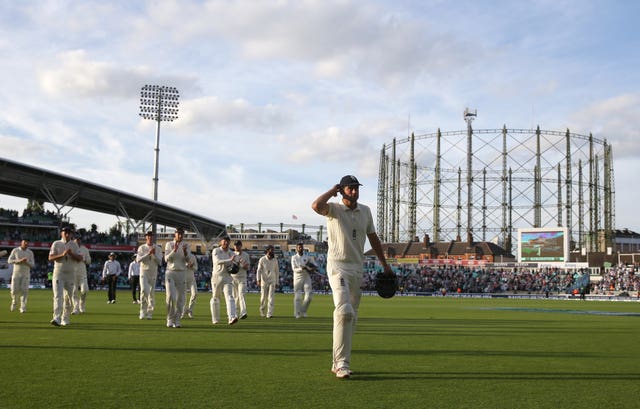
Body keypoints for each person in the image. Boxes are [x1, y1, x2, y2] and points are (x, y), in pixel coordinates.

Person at [311, 175, 394, 379]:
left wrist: (385, 265)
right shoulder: (333, 209)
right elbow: (315, 205)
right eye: (350, 188)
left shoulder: (365, 211)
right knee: (344, 311)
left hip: (357, 269)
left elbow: (373, 238)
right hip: (338, 267)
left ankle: (337, 361)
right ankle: (341, 364)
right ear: (343, 190)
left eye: (356, 188)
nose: (354, 191)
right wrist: (333, 190)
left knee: (351, 316)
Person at [48, 227, 83, 326]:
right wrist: (62, 255)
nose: (67, 235)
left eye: (69, 233)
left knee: (68, 297)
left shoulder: (74, 244)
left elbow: (80, 258)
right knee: (58, 296)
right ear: (61, 233)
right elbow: (50, 257)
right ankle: (56, 318)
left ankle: (65, 318)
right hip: (59, 273)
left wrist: (71, 254)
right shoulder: (56, 243)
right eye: (65, 233)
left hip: (71, 274)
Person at [164, 227, 190, 328]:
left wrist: (185, 252)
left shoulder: (186, 245)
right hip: (170, 272)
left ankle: (177, 319)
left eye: (181, 234)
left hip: (182, 273)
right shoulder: (169, 244)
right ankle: (170, 318)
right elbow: (166, 259)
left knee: (181, 298)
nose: (180, 235)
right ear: (175, 234)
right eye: (178, 233)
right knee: (170, 296)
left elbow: (188, 260)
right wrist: (174, 250)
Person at [210, 236, 239, 325]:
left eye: (227, 242)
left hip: (227, 276)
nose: (226, 243)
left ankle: (231, 317)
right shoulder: (216, 251)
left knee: (230, 297)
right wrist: (230, 260)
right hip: (217, 276)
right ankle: (215, 319)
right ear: (220, 242)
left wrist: (236, 263)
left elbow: (236, 262)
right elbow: (217, 261)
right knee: (215, 298)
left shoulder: (231, 252)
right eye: (224, 241)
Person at [136, 231, 163, 320]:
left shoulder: (158, 248)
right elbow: (138, 260)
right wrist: (148, 254)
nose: (150, 238)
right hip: (144, 271)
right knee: (144, 291)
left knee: (151, 293)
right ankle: (142, 311)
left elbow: (160, 262)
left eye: (151, 236)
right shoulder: (142, 248)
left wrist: (153, 254)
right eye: (148, 236)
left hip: (153, 272)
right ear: (146, 237)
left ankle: (149, 312)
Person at [8, 239, 35, 313]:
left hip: (26, 274)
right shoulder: (15, 250)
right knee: (14, 290)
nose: (26, 244)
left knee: (24, 290)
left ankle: (23, 307)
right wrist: (18, 261)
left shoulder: (30, 252)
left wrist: (26, 262)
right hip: (16, 273)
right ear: (21, 243)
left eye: (27, 243)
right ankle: (14, 302)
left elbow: (32, 265)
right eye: (24, 242)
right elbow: (9, 260)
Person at [256, 245, 279, 318]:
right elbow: (259, 270)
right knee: (263, 297)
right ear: (267, 251)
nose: (272, 251)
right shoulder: (262, 259)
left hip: (272, 280)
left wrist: (277, 282)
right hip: (264, 281)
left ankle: (269, 313)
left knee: (271, 297)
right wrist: (258, 279)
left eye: (273, 250)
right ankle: (262, 311)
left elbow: (277, 271)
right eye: (271, 250)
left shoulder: (275, 260)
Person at [291, 242, 313, 319]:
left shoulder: (307, 257)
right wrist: (302, 268)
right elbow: (294, 269)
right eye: (299, 247)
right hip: (297, 277)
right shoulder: (294, 257)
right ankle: (297, 313)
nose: (300, 248)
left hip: (306, 276)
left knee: (309, 296)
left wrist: (312, 268)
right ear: (296, 249)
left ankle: (303, 311)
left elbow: (313, 265)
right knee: (298, 296)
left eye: (301, 247)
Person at [72, 237, 92, 314]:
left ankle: (82, 305)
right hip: (73, 273)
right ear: (74, 240)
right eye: (76, 239)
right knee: (74, 292)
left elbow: (89, 261)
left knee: (85, 290)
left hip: (82, 273)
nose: (77, 241)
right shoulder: (70, 248)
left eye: (79, 240)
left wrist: (84, 259)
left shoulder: (85, 249)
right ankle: (75, 308)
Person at [232, 240, 250, 320]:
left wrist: (241, 264)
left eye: (238, 245)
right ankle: (235, 313)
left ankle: (243, 312)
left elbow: (247, 267)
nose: (236, 247)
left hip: (242, 277)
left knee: (241, 295)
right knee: (235, 296)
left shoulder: (246, 255)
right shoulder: (231, 254)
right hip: (233, 277)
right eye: (235, 245)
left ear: (241, 246)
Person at [182, 252, 198, 319]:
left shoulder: (192, 256)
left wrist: (191, 266)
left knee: (195, 294)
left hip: (192, 279)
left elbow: (196, 268)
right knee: (183, 297)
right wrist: (186, 265)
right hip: (183, 279)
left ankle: (190, 310)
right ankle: (183, 312)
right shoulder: (180, 255)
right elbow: (178, 266)